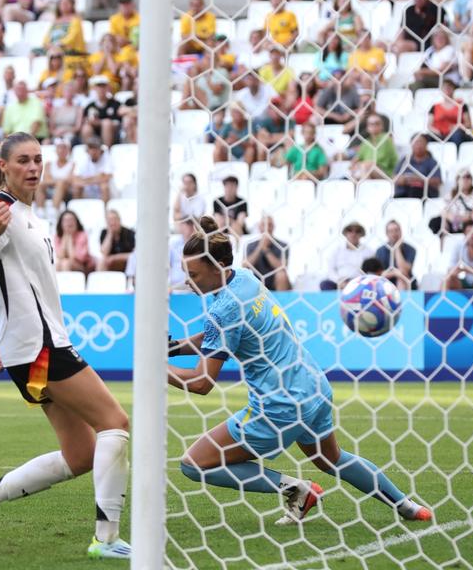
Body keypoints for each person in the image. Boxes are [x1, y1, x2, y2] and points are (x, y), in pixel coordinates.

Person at [168, 218, 432, 526]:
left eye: (194, 274)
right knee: (331, 459)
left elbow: (201, 382)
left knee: (193, 464)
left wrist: (154, 367)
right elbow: (221, 337)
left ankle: (296, 489)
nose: (187, 280)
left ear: (218, 266)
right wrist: (176, 349)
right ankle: (406, 505)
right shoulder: (245, 278)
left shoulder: (221, 311)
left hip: (278, 407)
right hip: (313, 387)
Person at [0, 132, 132, 560]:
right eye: (23, 161)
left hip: (37, 344)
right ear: (3, 165)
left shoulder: (28, 214)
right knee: (115, 421)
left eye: (38, 159)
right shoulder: (1, 211)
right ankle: (106, 539)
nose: (33, 168)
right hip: (40, 347)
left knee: (82, 453)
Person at [243, 215, 290, 291]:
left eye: (270, 225)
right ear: (259, 227)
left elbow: (282, 267)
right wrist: (260, 247)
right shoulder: (250, 245)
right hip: (257, 282)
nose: (267, 228)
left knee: (281, 275)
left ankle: (280, 302)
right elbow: (245, 265)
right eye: (264, 225)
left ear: (274, 227)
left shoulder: (283, 245)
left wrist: (266, 249)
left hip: (276, 283)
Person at [444, 223, 473, 293]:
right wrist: (454, 272)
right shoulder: (459, 245)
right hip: (466, 281)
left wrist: (464, 269)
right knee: (447, 279)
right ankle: (443, 303)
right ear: (464, 234)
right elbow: (451, 268)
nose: (472, 235)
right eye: (469, 232)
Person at [322, 222, 370, 290]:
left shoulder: (368, 251)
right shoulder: (337, 250)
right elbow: (330, 270)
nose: (353, 234)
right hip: (340, 281)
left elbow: (370, 272)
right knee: (325, 284)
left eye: (357, 231)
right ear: (345, 234)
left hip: (359, 283)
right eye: (350, 231)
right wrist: (339, 281)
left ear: (361, 234)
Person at [374, 220, 416, 290]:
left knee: (401, 279)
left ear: (401, 232)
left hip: (405, 281)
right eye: (391, 231)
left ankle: (400, 300)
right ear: (386, 234)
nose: (394, 234)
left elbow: (405, 270)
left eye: (396, 230)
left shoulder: (411, 249)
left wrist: (397, 249)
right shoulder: (380, 251)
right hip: (386, 281)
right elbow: (379, 273)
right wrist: (395, 273)